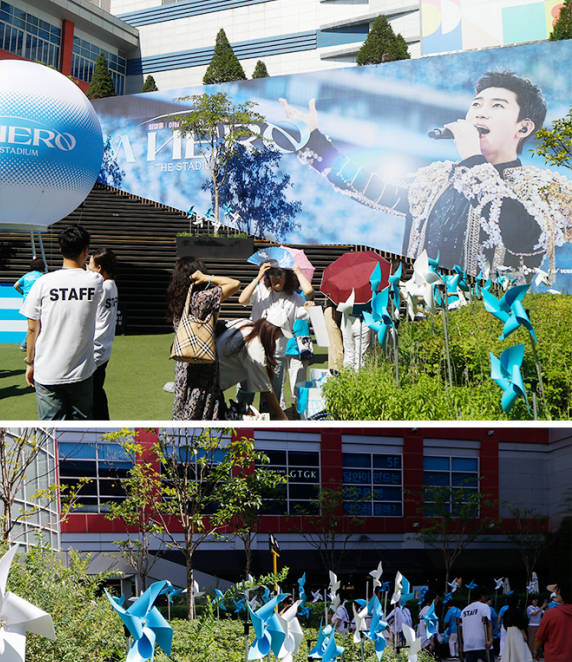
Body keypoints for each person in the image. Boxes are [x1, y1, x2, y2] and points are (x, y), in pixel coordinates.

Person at [282, 70, 572, 280]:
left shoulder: (545, 188)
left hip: (489, 326)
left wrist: (473, 160)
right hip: (422, 317)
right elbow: (371, 187)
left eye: (497, 106)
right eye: (476, 104)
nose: (480, 113)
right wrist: (313, 141)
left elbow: (523, 236)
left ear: (523, 128)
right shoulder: (436, 178)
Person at [21, 226, 102, 421]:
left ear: (60, 250)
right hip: (81, 371)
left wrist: (30, 362)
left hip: (47, 370)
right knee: (81, 430)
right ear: (85, 251)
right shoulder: (95, 281)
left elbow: (32, 329)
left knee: (51, 427)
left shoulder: (43, 282)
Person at [167, 257, 240, 421]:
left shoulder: (178, 300)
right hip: (203, 358)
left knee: (183, 404)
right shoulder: (202, 298)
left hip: (184, 360)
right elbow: (234, 284)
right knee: (203, 405)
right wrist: (207, 278)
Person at [237, 261, 312, 415]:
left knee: (270, 402)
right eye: (272, 273)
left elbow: (309, 293)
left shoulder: (295, 298)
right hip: (252, 352)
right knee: (245, 396)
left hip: (277, 355)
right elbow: (242, 300)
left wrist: (297, 271)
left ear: (288, 276)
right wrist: (258, 277)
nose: (275, 278)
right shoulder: (261, 290)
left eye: (280, 274)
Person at [217, 305, 293, 421]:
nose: (280, 338)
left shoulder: (246, 323)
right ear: (274, 329)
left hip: (209, 379)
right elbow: (266, 390)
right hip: (209, 386)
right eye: (281, 334)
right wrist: (283, 417)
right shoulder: (255, 347)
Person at [88, 248, 118, 421]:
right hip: (104, 348)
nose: (87, 267)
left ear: (99, 268)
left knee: (92, 395)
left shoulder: (101, 287)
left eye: (90, 264)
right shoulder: (112, 285)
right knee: (97, 391)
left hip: (95, 348)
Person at [460, 585, 496, 662]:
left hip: (468, 642)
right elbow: (488, 623)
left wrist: (462, 643)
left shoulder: (465, 610)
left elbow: (461, 628)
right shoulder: (484, 607)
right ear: (482, 596)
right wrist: (490, 639)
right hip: (481, 641)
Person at [14, 258, 46, 350]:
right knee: (38, 323)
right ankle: (25, 344)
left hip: (26, 301)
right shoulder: (41, 276)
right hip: (37, 301)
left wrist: (23, 293)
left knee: (32, 323)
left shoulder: (27, 275)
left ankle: (26, 343)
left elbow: (16, 285)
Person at [501, 594, 532, 662]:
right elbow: (521, 623)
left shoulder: (507, 611)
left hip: (509, 631)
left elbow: (504, 623)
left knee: (510, 648)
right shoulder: (518, 611)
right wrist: (524, 634)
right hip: (517, 631)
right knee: (522, 647)